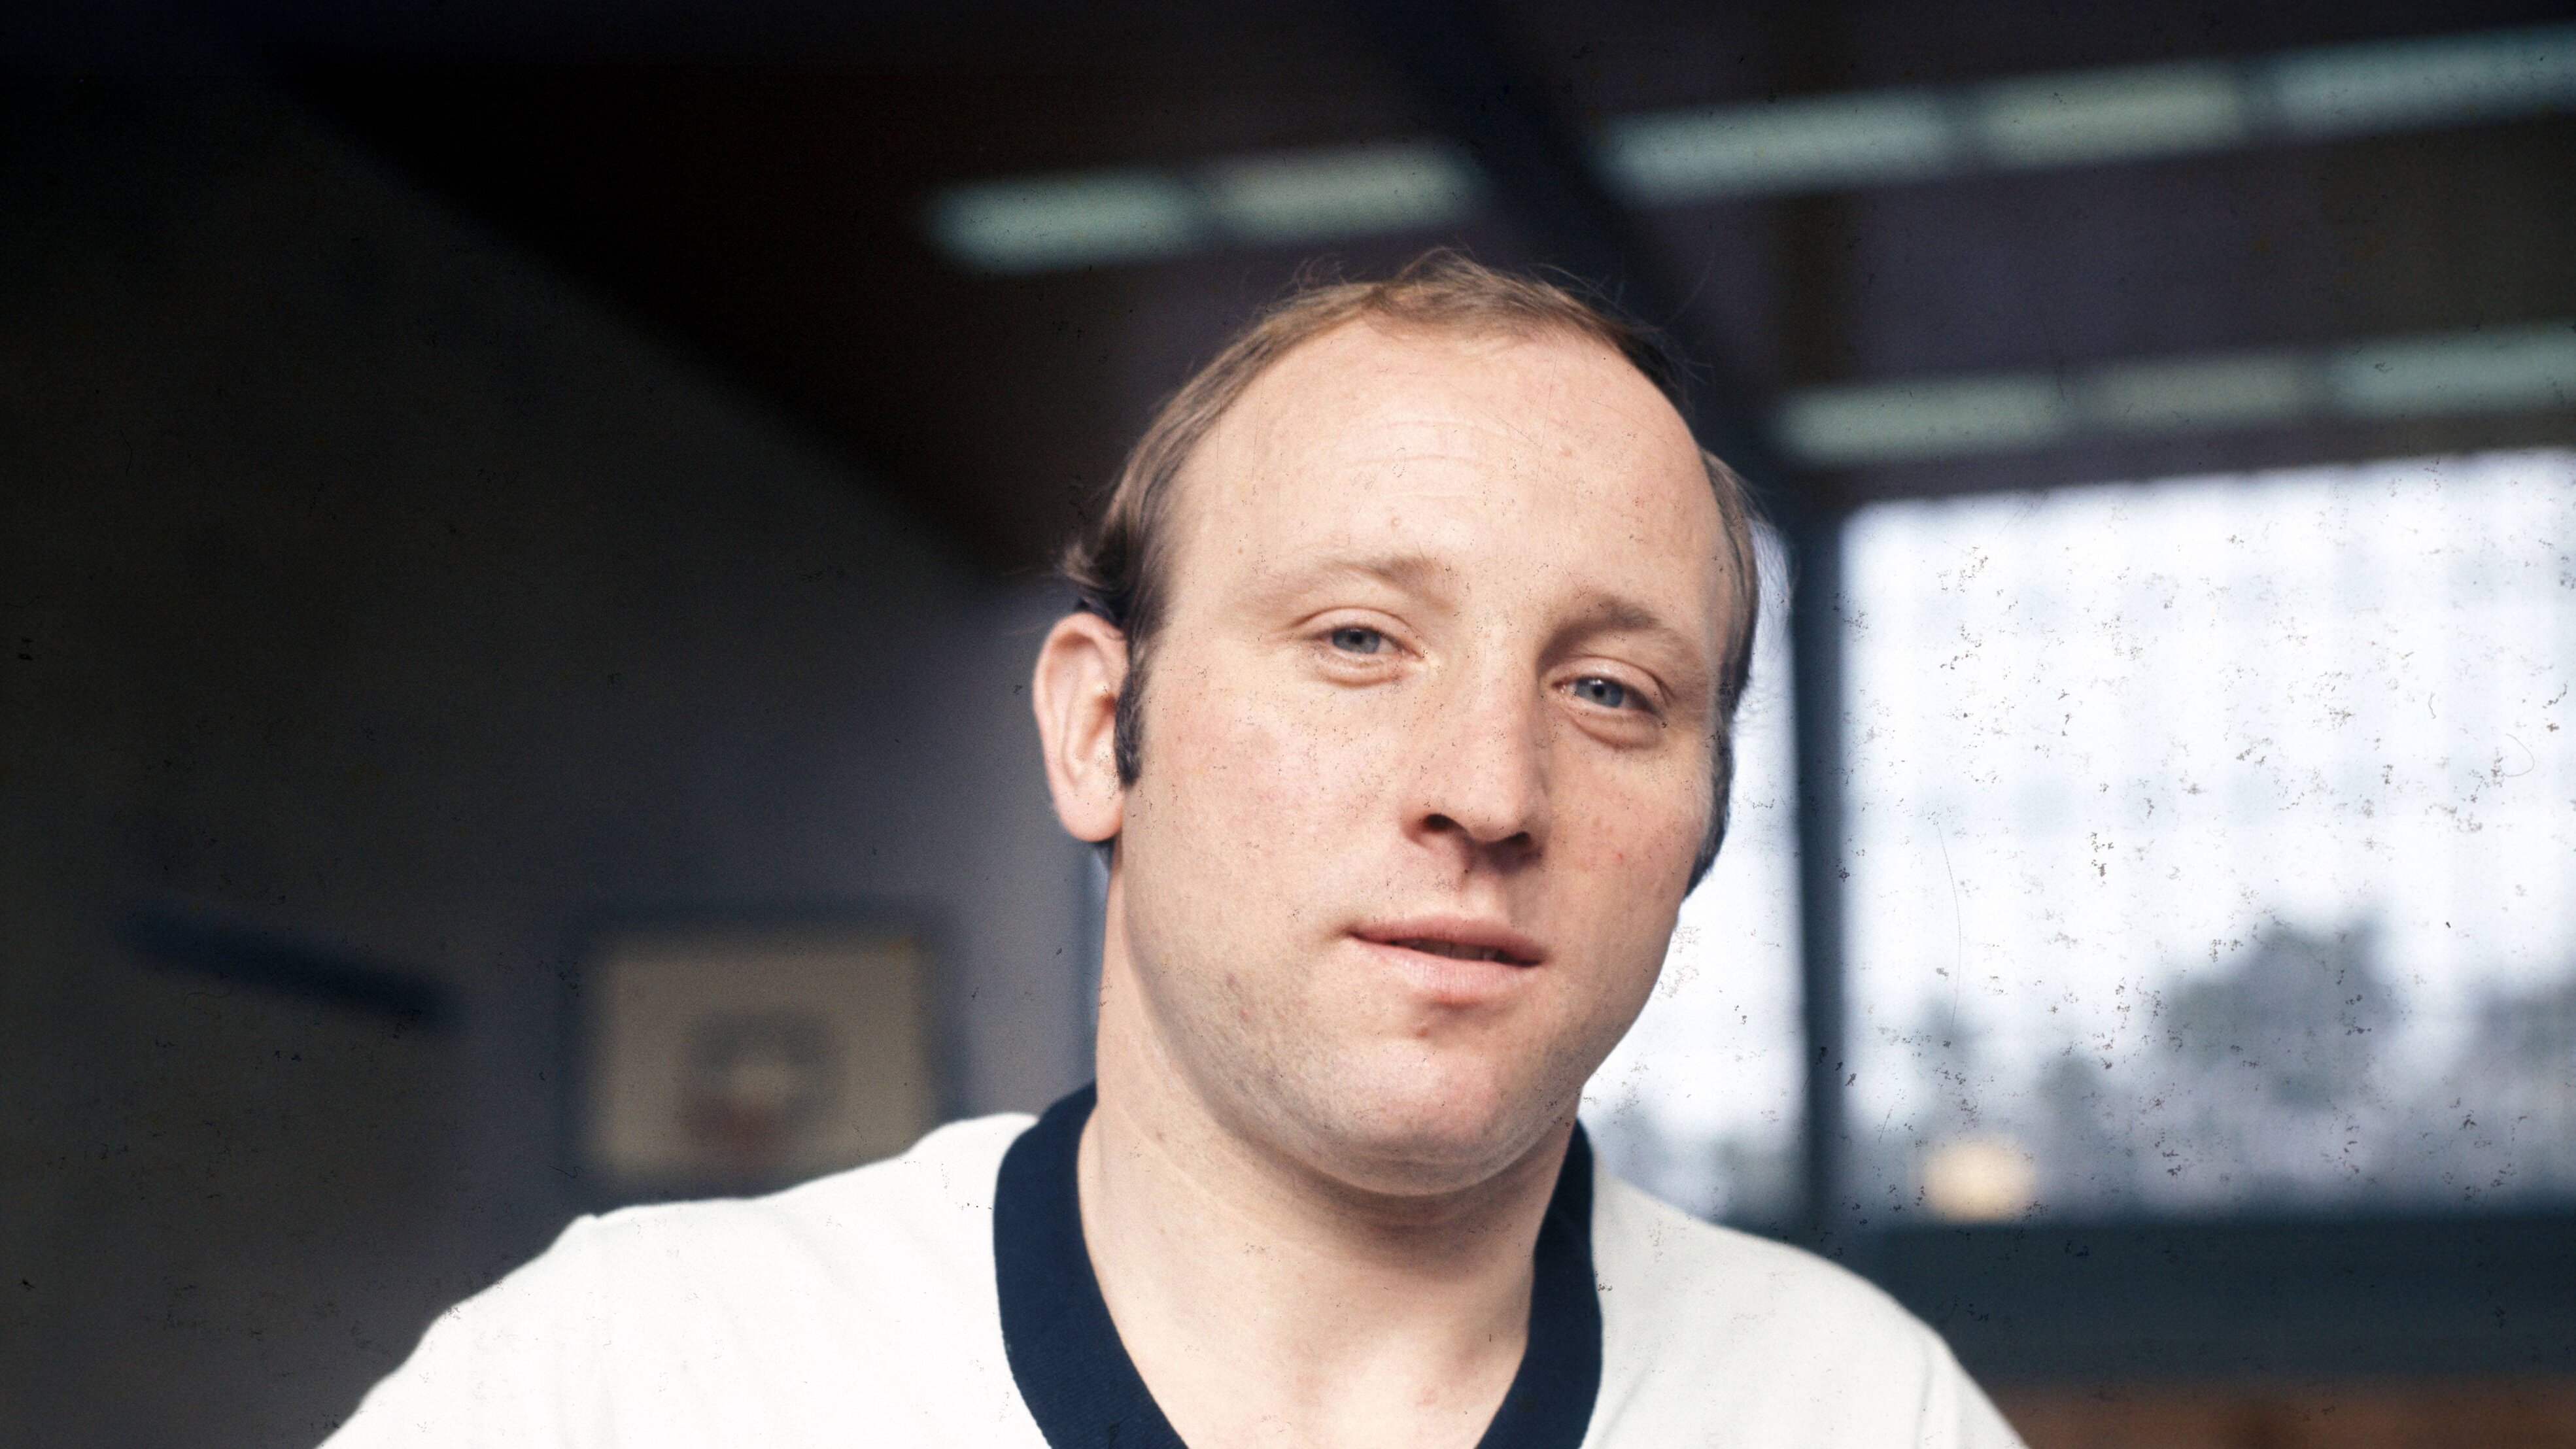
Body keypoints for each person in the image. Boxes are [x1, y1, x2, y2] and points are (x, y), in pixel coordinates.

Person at [321, 253, 2023, 1448]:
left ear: (1706, 811)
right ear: (1094, 729)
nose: (1490, 790)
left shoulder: (1867, 1414)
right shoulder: (626, 1385)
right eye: (1358, 641)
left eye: (1607, 688)